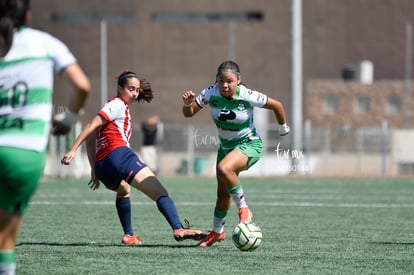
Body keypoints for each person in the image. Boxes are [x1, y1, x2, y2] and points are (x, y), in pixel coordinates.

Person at [61, 71, 206, 245]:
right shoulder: (117, 104)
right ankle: (178, 227)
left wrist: (94, 168)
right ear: (119, 88)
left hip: (103, 166)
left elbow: (91, 137)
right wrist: (72, 150)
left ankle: (128, 235)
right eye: (131, 89)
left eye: (137, 90)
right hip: (119, 155)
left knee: (124, 190)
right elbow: (91, 124)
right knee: (160, 192)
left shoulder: (115, 107)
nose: (135, 93)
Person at [0, 0, 91, 274]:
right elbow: (82, 85)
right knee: (6, 240)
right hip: (26, 154)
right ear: (27, 13)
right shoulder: (45, 43)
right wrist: (70, 118)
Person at [181, 60, 290, 247]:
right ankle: (217, 232)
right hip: (225, 148)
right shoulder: (210, 92)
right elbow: (189, 113)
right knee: (222, 195)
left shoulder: (247, 95)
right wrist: (187, 104)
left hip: (249, 145)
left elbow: (277, 105)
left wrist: (283, 128)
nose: (224, 85)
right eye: (221, 80)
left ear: (238, 80)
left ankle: (244, 210)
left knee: (225, 168)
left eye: (229, 81)